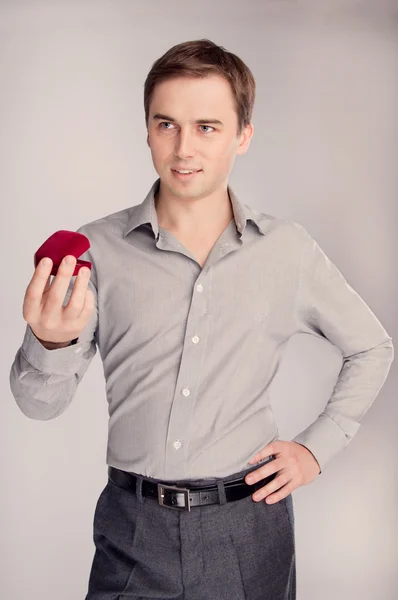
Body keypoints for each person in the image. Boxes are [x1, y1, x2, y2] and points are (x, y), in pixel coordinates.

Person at [9, 39, 394, 600]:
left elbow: (372, 347)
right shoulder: (96, 249)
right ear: (147, 129)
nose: (183, 147)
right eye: (167, 124)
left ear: (244, 135)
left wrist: (317, 448)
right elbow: (37, 405)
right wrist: (48, 339)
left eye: (207, 127)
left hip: (249, 525)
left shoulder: (287, 250)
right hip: (132, 527)